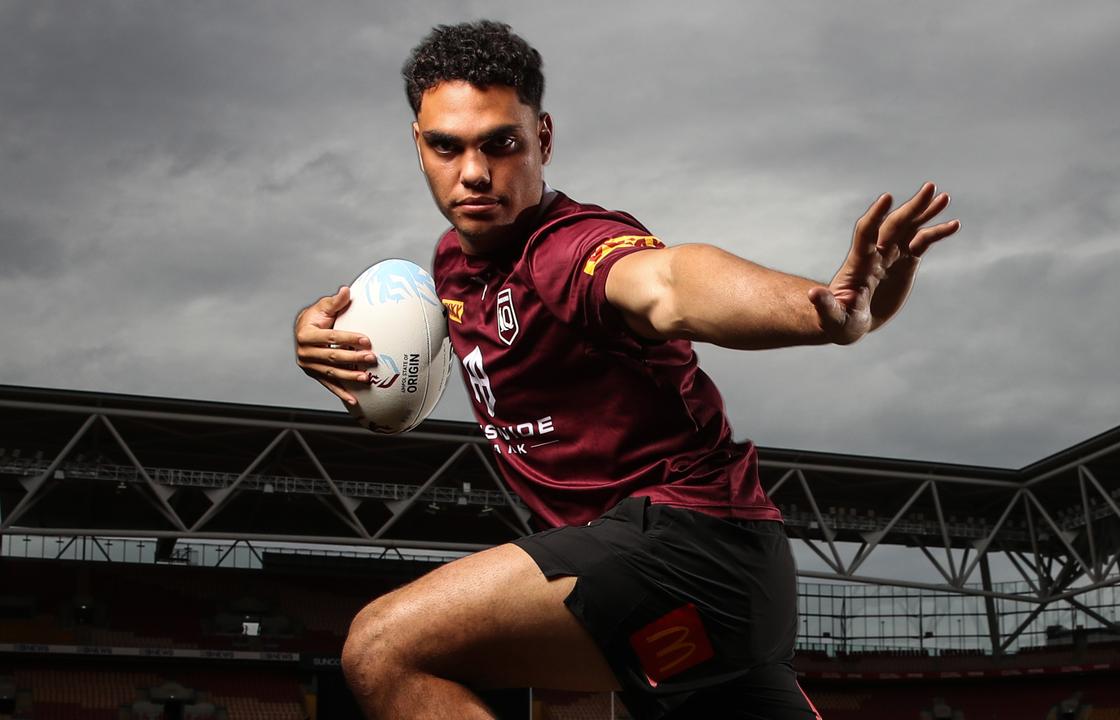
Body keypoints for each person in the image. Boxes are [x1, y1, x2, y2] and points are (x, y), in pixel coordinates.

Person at [293, 20, 959, 720]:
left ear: (542, 139)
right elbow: (398, 393)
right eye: (446, 146)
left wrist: (815, 310)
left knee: (382, 647)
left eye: (501, 144)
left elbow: (670, 284)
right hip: (709, 595)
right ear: (418, 146)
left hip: (685, 550)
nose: (474, 173)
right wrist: (330, 347)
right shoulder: (453, 270)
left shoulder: (568, 249)